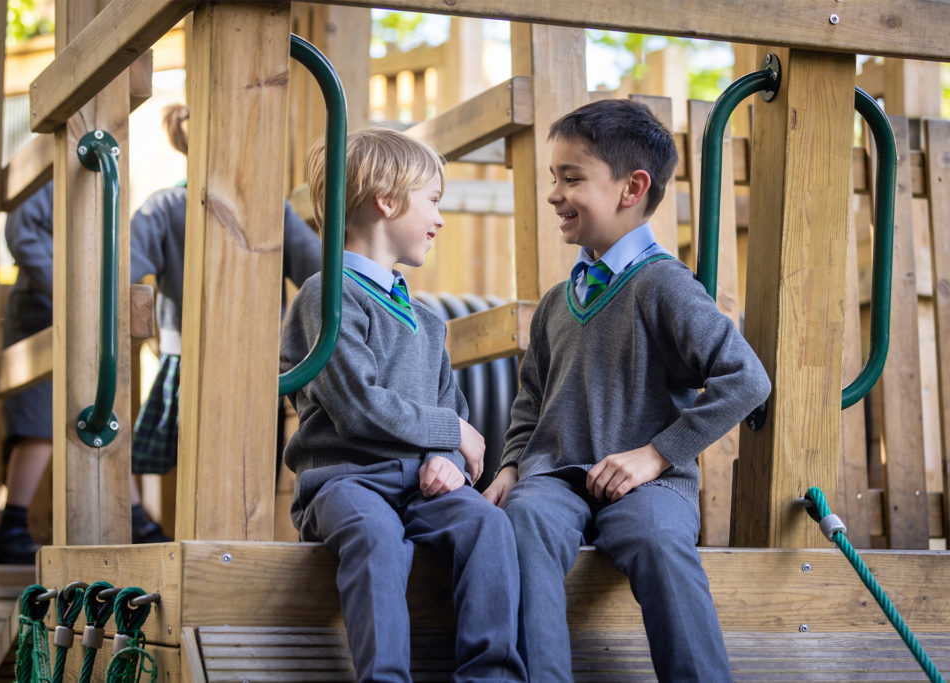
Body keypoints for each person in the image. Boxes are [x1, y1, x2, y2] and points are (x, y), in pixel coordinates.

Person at [482, 99, 772, 682]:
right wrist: (512, 466)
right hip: (556, 477)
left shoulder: (665, 285)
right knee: (522, 523)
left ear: (631, 188)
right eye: (553, 178)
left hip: (651, 483)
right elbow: (530, 401)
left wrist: (656, 455)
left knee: (659, 540)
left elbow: (747, 379)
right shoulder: (554, 305)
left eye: (571, 178)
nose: (554, 193)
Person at [280, 128, 527, 683]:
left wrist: (449, 453)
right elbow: (356, 406)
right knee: (374, 536)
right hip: (346, 482)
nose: (440, 219)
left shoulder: (426, 319)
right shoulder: (328, 295)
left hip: (420, 485)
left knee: (488, 525)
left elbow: (450, 403)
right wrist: (453, 430)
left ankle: (491, 677)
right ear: (387, 201)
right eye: (433, 201)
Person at [129, 104, 321, 478]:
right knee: (250, 472)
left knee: (195, 473)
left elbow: (125, 266)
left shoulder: (165, 206)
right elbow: (320, 272)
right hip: (253, 360)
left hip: (187, 356)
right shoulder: (267, 209)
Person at [0, 180, 169, 564]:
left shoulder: (105, 174)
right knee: (38, 424)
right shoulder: (50, 177)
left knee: (103, 411)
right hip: (46, 307)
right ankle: (13, 525)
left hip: (91, 313)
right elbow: (21, 234)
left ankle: (134, 518)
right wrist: (70, 289)